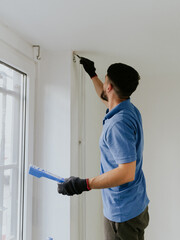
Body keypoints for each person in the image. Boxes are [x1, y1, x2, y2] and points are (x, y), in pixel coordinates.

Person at [58, 56, 149, 240]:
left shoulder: (117, 124)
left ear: (110, 87)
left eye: (105, 80)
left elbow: (126, 173)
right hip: (137, 203)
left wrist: (83, 184)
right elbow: (107, 98)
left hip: (122, 213)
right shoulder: (128, 109)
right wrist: (93, 75)